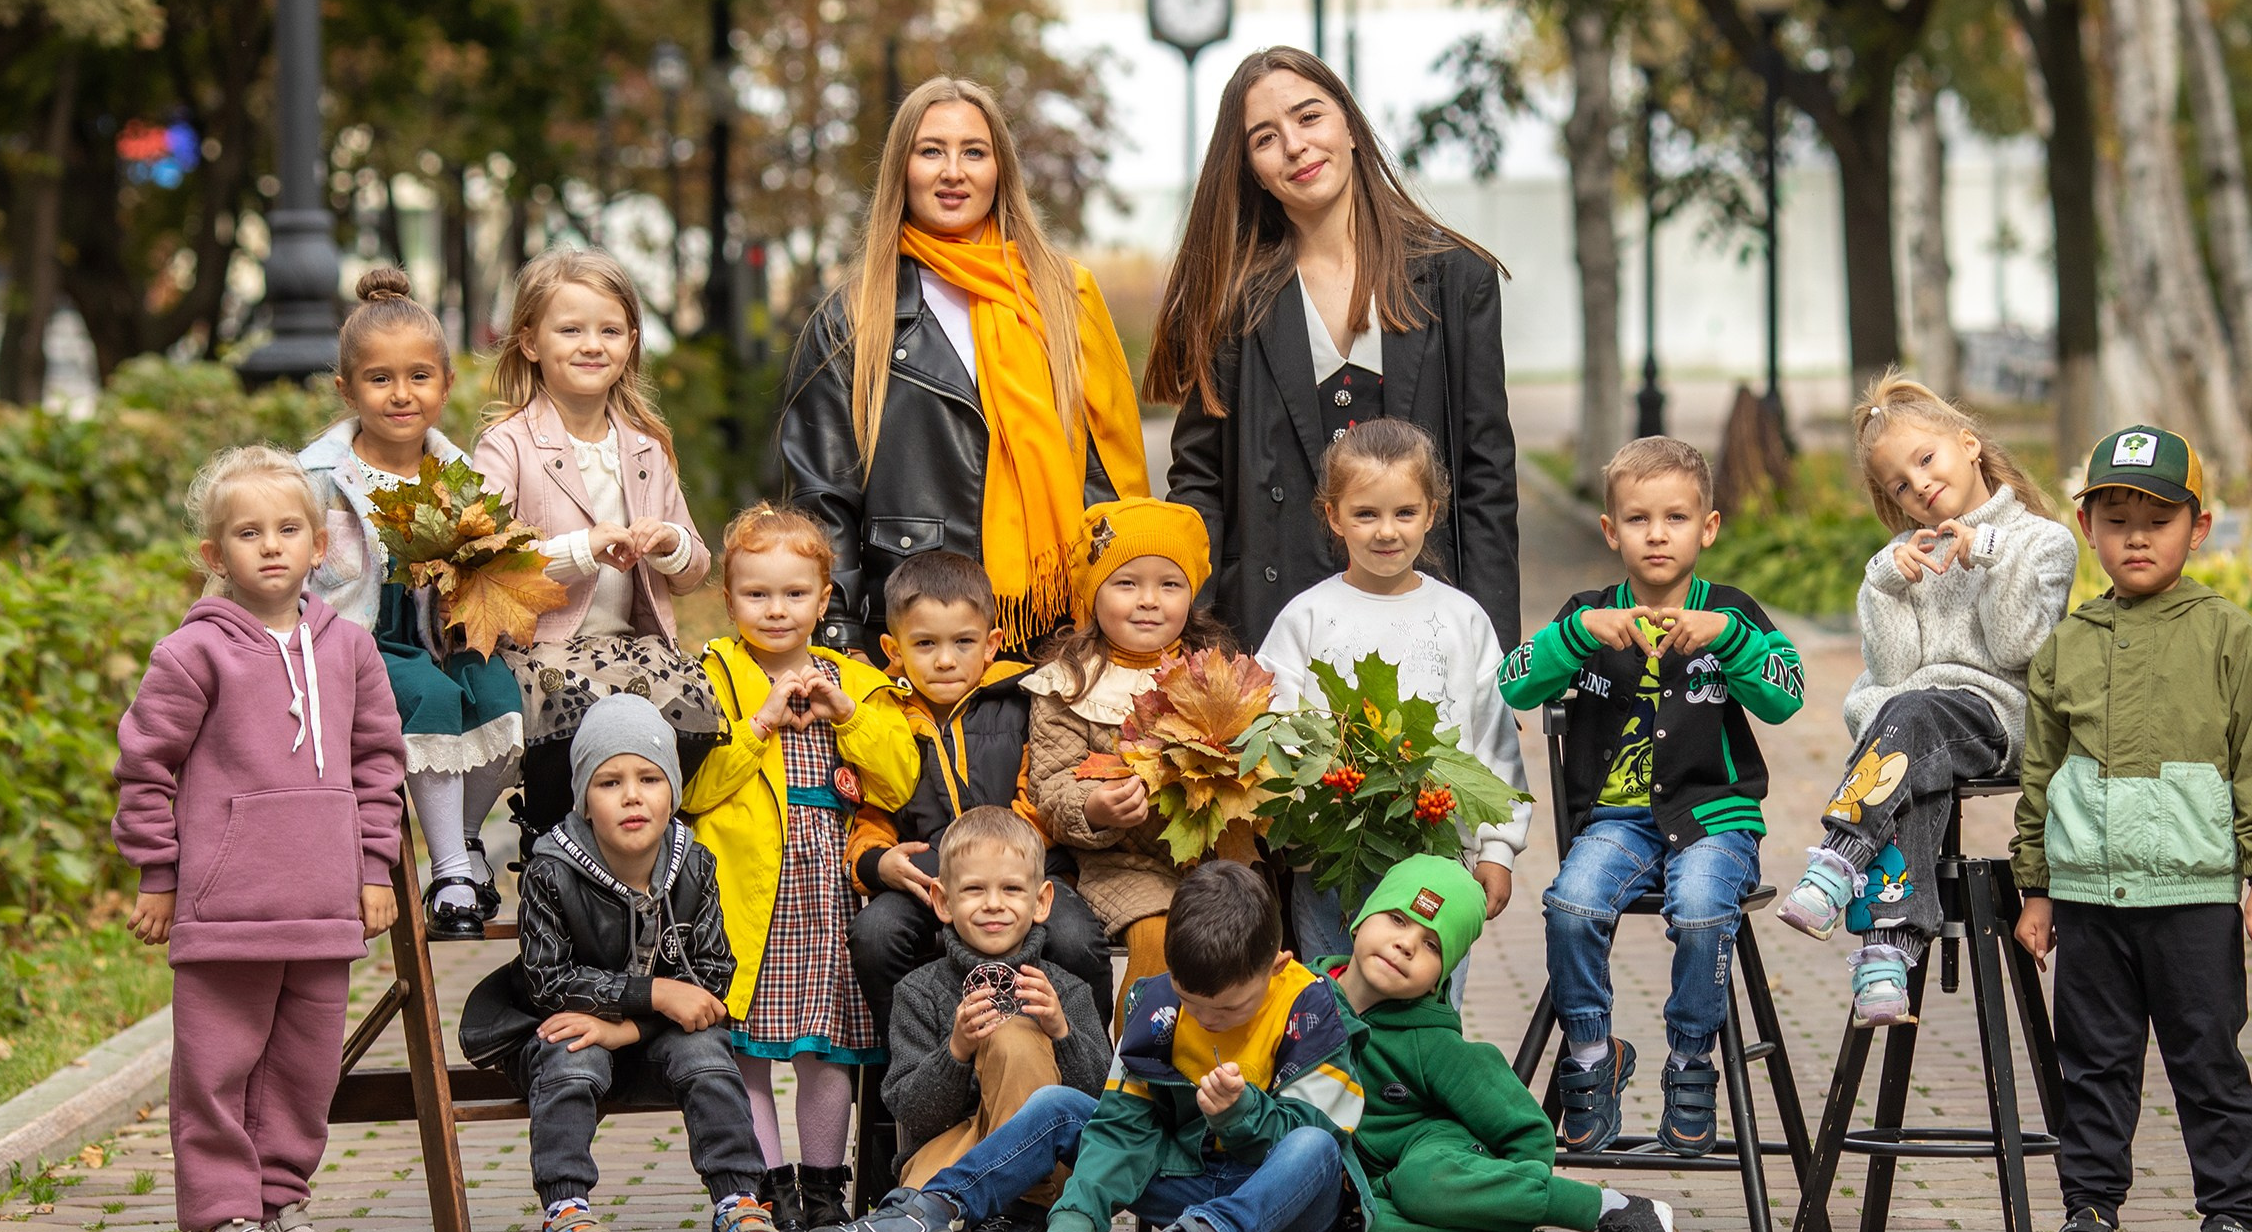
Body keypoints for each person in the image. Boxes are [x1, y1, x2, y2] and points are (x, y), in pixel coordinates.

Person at [801, 861, 1371, 1232]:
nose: (1208, 1018)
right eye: (1192, 1002)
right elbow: (1123, 1126)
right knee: (1062, 1108)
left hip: (1285, 1197)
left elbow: (1324, 1137)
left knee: (1315, 1148)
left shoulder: (1312, 1008)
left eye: (1227, 1008)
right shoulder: (1158, 1005)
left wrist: (1244, 1112)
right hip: (1184, 1181)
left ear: (1276, 966)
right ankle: (926, 1213)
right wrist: (1075, 1223)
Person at [2012, 427, 2252, 1232]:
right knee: (2091, 1066)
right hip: (2091, 899)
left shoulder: (2228, 636)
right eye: (2116, 517)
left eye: (2159, 519)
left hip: (2194, 897)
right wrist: (2036, 886)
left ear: (2199, 527)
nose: (2138, 536)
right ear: (2086, 524)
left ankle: (2232, 1227)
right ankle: (2089, 1218)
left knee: (2206, 1061)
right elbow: (2041, 770)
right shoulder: (2069, 644)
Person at [113, 446, 406, 1232]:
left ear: (320, 546)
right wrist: (158, 875)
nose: (270, 546)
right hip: (225, 905)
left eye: (287, 529)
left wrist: (373, 868)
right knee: (216, 1066)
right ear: (215, 555)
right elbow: (145, 766)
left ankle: (279, 1207)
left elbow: (377, 763)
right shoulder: (191, 653)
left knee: (303, 1070)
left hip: (322, 904)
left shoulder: (349, 648)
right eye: (248, 532)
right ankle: (218, 1225)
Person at [1150, 47, 1522, 652]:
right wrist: (1190, 648)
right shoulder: (1226, 301)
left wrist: (1496, 662)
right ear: (1249, 168)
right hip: (1273, 637)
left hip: (1426, 626)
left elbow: (1486, 481)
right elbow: (1200, 484)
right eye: (1265, 138)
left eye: (1309, 117)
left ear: (1349, 124)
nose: (1295, 145)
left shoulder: (1457, 279)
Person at [1498, 437, 1805, 1156]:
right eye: (1638, 518)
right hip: (1616, 823)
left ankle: (1692, 1059)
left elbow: (1787, 696)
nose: (1658, 533)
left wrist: (1729, 639)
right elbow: (1515, 683)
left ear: (1709, 527)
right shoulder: (1590, 613)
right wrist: (1576, 634)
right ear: (1611, 531)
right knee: (1571, 903)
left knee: (1701, 908)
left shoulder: (1730, 611)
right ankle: (1591, 1057)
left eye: (1675, 517)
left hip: (1712, 822)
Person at [779, 75, 1149, 655]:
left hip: (1059, 635)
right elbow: (822, 502)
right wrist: (838, 642)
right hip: (915, 633)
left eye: (973, 152)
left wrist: (1124, 617)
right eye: (932, 151)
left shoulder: (1064, 295)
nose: (954, 171)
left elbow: (1108, 479)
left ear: (999, 169)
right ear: (902, 168)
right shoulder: (851, 318)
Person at [1773, 372, 2077, 1029]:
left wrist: (1989, 555)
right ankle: (1889, 953)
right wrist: (1882, 585)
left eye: (1926, 460)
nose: (1919, 487)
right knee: (1913, 748)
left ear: (1968, 445)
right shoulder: (1906, 557)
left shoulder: (2042, 543)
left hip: (1998, 719)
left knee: (1911, 721)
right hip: (1920, 729)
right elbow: (1893, 669)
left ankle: (1838, 860)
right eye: (1899, 486)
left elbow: (2015, 645)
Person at [458, 693, 788, 1232]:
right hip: (564, 1027)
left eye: (650, 778)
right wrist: (655, 994)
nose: (632, 795)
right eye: (609, 781)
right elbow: (547, 981)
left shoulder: (695, 865)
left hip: (650, 1039)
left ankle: (738, 1204)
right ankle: (567, 1216)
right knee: (570, 1053)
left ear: (674, 793)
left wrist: (632, 1023)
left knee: (708, 1048)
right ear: (584, 798)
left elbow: (711, 977)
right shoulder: (550, 870)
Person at [678, 505, 919, 1232]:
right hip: (753, 888)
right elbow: (692, 788)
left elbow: (900, 780)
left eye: (793, 594)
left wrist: (848, 716)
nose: (775, 610)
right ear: (729, 597)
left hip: (831, 894)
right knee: (750, 1041)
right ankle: (764, 1187)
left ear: (824, 600)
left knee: (828, 1040)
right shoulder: (715, 676)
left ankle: (822, 1191)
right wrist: (757, 727)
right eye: (757, 594)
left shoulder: (856, 680)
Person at [1325, 857, 1682, 1232]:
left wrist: (1505, 1199)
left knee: (1423, 1184)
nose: (1405, 945)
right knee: (1359, 1229)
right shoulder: (1301, 1000)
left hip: (1436, 1157)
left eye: (1433, 945)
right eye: (1397, 919)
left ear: (1441, 977)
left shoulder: (1431, 1043)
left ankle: (1618, 1210)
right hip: (1365, 1183)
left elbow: (1527, 1128)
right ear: (1360, 921)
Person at [299, 266, 524, 936]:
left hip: (438, 631)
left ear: (447, 384)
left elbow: (494, 560)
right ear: (347, 389)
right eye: (380, 379)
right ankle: (450, 874)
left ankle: (464, 837)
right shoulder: (317, 477)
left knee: (501, 701)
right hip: (361, 641)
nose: (403, 394)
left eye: (420, 376)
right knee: (432, 697)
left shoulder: (461, 476)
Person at [1255, 417, 1530, 966]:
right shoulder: (1305, 618)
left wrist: (1498, 849)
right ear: (1333, 516)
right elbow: (1273, 735)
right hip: (1332, 861)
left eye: (1405, 512)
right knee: (1337, 1005)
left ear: (1432, 512)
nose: (1387, 531)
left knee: (1429, 1013)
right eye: (1366, 514)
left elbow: (1495, 748)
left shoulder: (1463, 619)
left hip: (1440, 857)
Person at [472, 247, 719, 842]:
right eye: (571, 329)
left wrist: (669, 545)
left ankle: (653, 842)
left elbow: (695, 570)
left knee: (693, 707)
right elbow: (486, 560)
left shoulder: (643, 449)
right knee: (580, 718)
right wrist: (582, 549)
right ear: (530, 342)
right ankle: (555, 836)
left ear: (631, 341)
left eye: (609, 330)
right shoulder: (507, 446)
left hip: (632, 647)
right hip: (547, 650)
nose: (592, 344)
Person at [847, 548, 1114, 1032]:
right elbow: (873, 808)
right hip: (931, 880)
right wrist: (876, 861)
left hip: (1026, 877)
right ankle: (914, 1069)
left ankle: (1088, 1068)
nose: (946, 660)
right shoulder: (883, 716)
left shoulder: (1023, 700)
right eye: (925, 644)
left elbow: (1042, 789)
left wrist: (1002, 857)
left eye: (964, 642)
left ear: (991, 644)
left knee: (1075, 938)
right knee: (875, 933)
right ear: (893, 649)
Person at [877, 805, 1110, 1232]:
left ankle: (1019, 1212)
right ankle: (927, 1226)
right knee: (917, 1202)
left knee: (1014, 1037)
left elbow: (1102, 1107)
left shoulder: (1065, 990)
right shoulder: (919, 991)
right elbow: (910, 1111)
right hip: (956, 1151)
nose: (993, 904)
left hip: (1045, 1173)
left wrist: (1061, 1033)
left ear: (1042, 901)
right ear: (942, 901)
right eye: (974, 890)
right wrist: (956, 1051)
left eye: (1011, 889)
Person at [1024, 497, 1229, 1011]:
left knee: (1241, 940)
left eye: (1169, 584)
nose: (1149, 601)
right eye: (1127, 583)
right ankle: (1136, 1066)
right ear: (1094, 596)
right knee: (1159, 940)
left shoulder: (1217, 673)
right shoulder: (1067, 684)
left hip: (1209, 861)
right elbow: (1049, 786)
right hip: (1123, 863)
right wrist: (1093, 809)